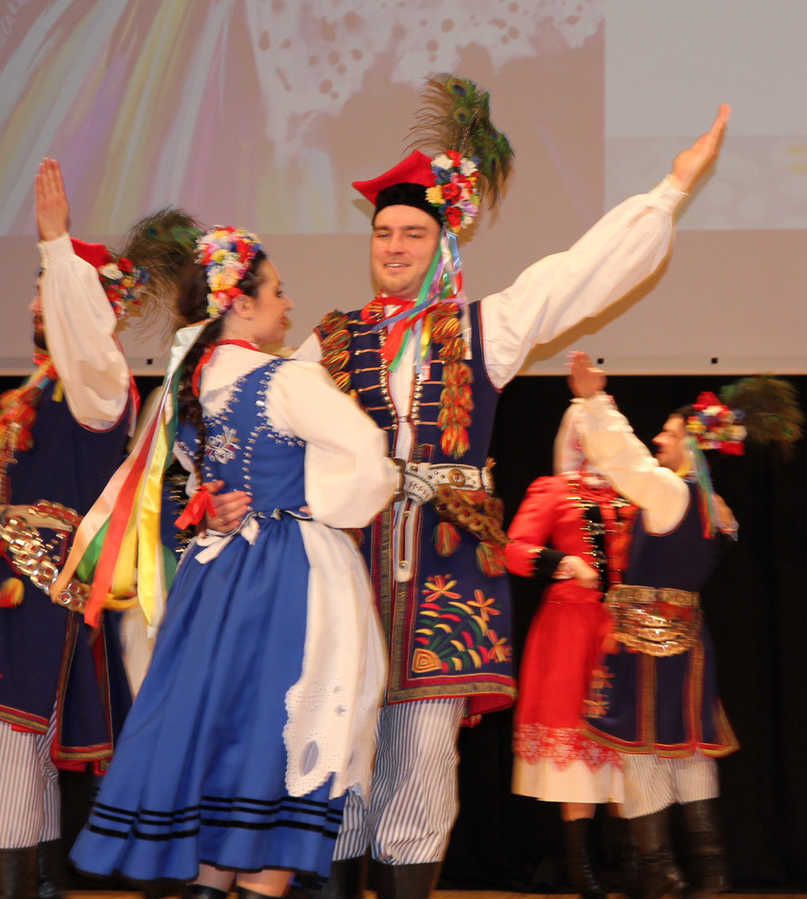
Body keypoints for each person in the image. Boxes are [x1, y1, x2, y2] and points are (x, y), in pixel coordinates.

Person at [290, 74, 730, 899]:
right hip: (346, 564)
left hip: (445, 569)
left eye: (413, 233)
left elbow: (577, 274)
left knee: (423, 751)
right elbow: (269, 422)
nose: (394, 247)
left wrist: (670, 190)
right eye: (383, 233)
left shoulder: (481, 329)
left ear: (442, 244)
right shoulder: (330, 343)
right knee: (337, 743)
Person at [59, 227, 396, 898]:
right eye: (277, 291)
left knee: (222, 732)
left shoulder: (190, 387)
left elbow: (187, 483)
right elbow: (367, 453)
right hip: (290, 573)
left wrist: (212, 507)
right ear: (239, 303)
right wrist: (319, 501)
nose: (288, 304)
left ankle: (211, 884)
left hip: (215, 578)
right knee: (284, 732)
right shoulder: (287, 379)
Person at [0, 159, 202, 899]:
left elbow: (88, 333)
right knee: (16, 756)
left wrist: (58, 244)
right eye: (41, 287)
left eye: (50, 289)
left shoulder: (97, 379)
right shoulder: (50, 385)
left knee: (4, 749)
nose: (36, 299)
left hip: (41, 590)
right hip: (18, 585)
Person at [567, 355, 801, 899]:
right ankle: (711, 870)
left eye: (669, 434)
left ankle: (660, 871)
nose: (658, 440)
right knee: (689, 749)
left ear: (693, 444)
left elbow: (622, 458)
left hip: (646, 643)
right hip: (688, 641)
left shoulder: (669, 493)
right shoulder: (712, 505)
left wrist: (592, 401)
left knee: (642, 748)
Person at [504, 408, 636, 899]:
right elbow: (513, 549)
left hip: (625, 629)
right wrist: (565, 563)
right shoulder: (554, 490)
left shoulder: (636, 489)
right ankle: (582, 871)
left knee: (627, 745)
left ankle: (631, 865)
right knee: (574, 741)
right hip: (570, 628)